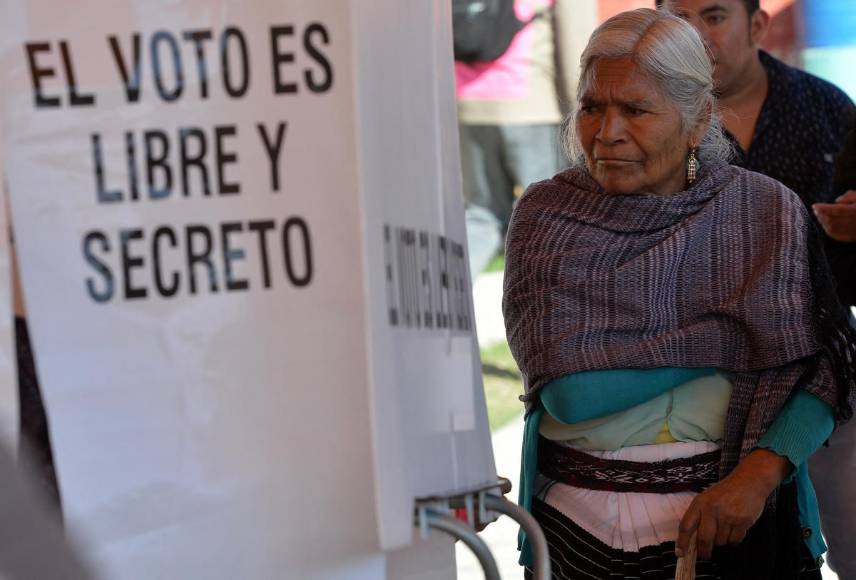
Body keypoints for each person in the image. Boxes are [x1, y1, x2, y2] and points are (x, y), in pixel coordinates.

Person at [502, 8, 856, 579]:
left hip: (740, 523)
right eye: (593, 107)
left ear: (697, 120)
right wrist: (743, 336)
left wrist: (758, 474)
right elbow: (569, 389)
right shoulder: (548, 217)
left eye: (636, 110)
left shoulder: (763, 212)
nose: (607, 132)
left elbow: (824, 366)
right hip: (580, 536)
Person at [657, 1, 856, 574]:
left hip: (825, 370)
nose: (694, 35)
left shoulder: (824, 108)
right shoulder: (646, 118)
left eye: (713, 16)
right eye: (678, 17)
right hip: (692, 391)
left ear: (757, 25)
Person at [455, 0, 589, 279]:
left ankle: (445, 299)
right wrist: (582, 111)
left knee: (481, 215)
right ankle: (553, 301)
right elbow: (576, 43)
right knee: (548, 215)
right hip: (531, 106)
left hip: (469, 104)